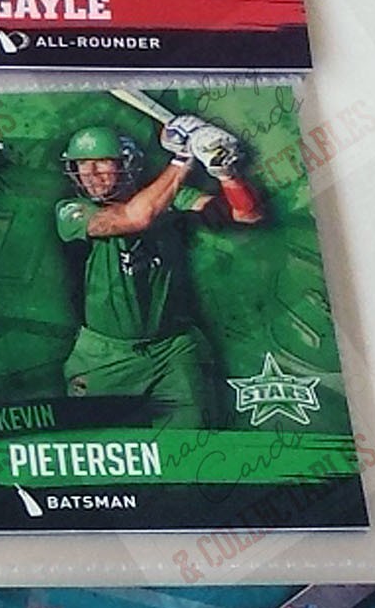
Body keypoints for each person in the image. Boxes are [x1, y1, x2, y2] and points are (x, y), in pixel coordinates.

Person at [55, 112, 262, 428]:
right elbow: (135, 218)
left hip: (172, 350)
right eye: (82, 164)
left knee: (195, 446)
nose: (91, 174)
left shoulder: (168, 197)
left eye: (102, 162)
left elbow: (247, 214)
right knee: (103, 449)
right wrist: (184, 158)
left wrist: (225, 172)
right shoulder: (72, 211)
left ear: (126, 163)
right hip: (106, 355)